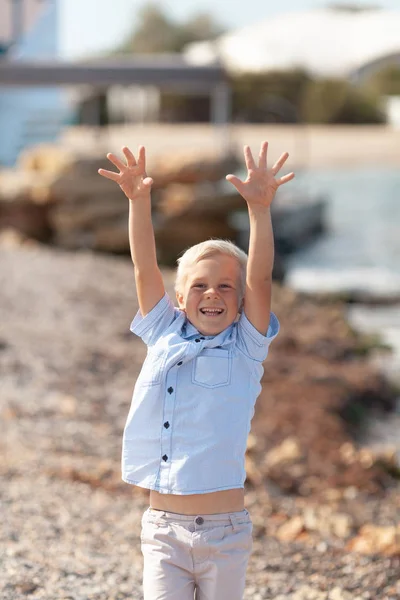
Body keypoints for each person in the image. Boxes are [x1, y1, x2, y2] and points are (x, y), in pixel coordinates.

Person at [98, 141, 294, 600]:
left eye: (225, 287)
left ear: (241, 302)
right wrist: (139, 201)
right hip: (162, 531)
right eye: (200, 287)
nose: (212, 294)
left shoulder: (245, 345)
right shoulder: (163, 330)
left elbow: (261, 278)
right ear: (180, 298)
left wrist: (259, 210)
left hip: (225, 534)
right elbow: (144, 267)